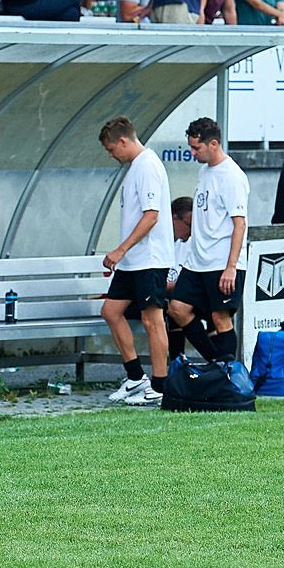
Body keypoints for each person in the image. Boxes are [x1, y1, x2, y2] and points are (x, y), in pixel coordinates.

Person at [96, 116, 173, 406]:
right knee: (110, 311)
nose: (111, 155)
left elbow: (151, 216)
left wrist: (120, 250)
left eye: (111, 149)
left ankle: (160, 385)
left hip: (149, 258)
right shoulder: (135, 168)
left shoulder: (148, 165)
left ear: (123, 141)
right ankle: (135, 377)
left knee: (152, 320)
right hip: (133, 261)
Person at [166, 117, 247, 364]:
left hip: (221, 262)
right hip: (197, 262)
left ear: (213, 144)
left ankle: (228, 373)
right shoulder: (204, 171)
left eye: (196, 148)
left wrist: (231, 267)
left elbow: (240, 224)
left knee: (220, 318)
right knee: (177, 308)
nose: (192, 153)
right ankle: (216, 364)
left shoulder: (232, 176)